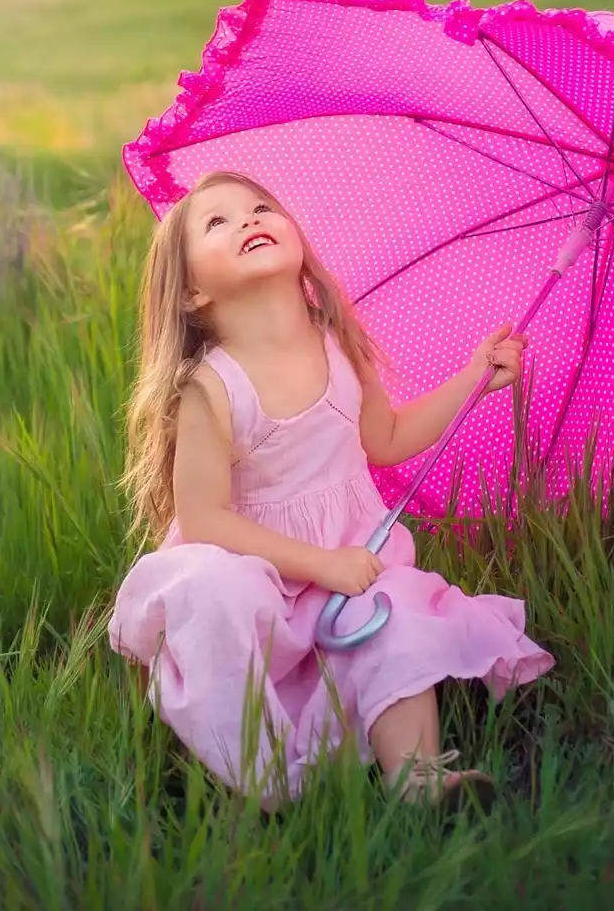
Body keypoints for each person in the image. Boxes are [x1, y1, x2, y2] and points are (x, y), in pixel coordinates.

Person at [107, 169, 555, 810]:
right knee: (214, 589)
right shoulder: (210, 389)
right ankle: (258, 778)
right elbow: (203, 520)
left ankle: (421, 781)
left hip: (350, 577)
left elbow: (389, 438)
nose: (249, 221)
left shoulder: (339, 344)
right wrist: (321, 564)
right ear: (191, 292)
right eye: (219, 222)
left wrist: (475, 378)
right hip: (257, 586)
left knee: (395, 613)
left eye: (261, 207)